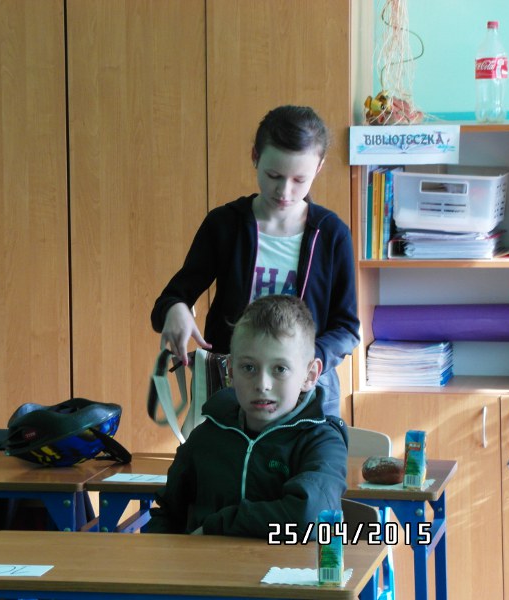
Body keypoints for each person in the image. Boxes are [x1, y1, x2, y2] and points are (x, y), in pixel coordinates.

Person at [151, 105, 359, 416]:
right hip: (232, 387)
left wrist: (305, 360)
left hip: (308, 391)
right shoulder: (225, 225)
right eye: (274, 176)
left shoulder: (332, 234)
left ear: (318, 168)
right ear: (255, 157)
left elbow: (347, 329)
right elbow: (171, 299)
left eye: (299, 180)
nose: (284, 191)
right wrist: (175, 309)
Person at [145, 295, 348, 538]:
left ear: (310, 375)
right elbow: (168, 513)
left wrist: (216, 527)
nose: (262, 384)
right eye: (249, 367)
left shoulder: (323, 442)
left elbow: (311, 517)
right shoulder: (205, 436)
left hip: (283, 565)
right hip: (203, 563)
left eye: (280, 369)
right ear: (231, 371)